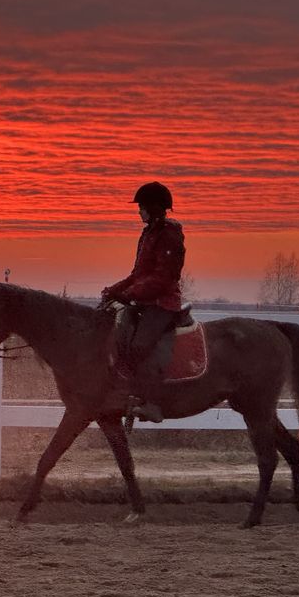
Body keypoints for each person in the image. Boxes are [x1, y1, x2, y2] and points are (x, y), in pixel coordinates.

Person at [101, 181, 185, 423]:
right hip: (145, 301)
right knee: (118, 336)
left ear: (154, 207)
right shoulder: (149, 233)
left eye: (142, 207)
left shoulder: (169, 234)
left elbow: (162, 278)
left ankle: (153, 403)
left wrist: (128, 295)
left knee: (140, 345)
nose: (139, 211)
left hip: (163, 303)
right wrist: (114, 291)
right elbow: (138, 274)